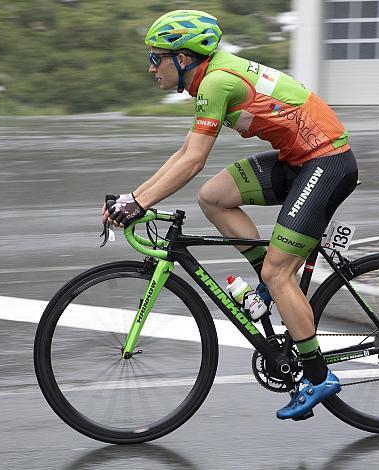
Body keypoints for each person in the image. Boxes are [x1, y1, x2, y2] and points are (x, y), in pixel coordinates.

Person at [103, 9, 358, 420]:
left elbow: (193, 161)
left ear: (183, 58)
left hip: (326, 163)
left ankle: (318, 375)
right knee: (214, 197)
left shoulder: (218, 81)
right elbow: (185, 154)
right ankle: (268, 285)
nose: (151, 67)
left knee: (280, 272)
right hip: (299, 160)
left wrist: (139, 202)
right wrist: (136, 197)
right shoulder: (212, 79)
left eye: (156, 57)